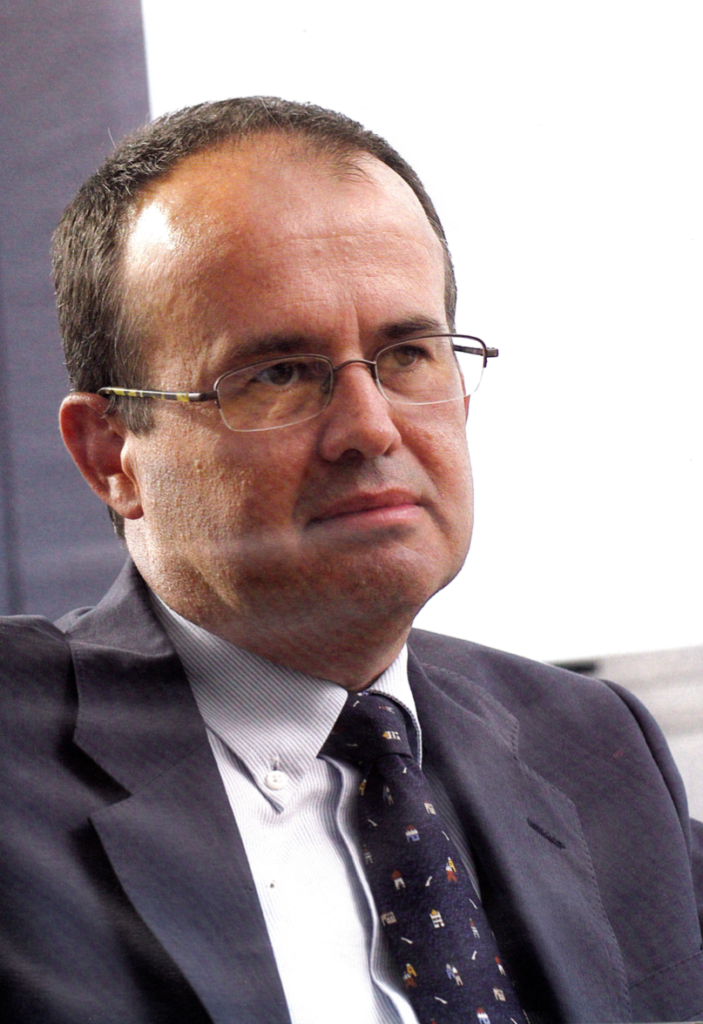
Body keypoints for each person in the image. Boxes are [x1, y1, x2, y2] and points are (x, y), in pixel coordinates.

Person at [1, 97, 701, 1024]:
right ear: (110, 456)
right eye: (277, 373)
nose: (370, 427)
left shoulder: (589, 745)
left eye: (407, 354)